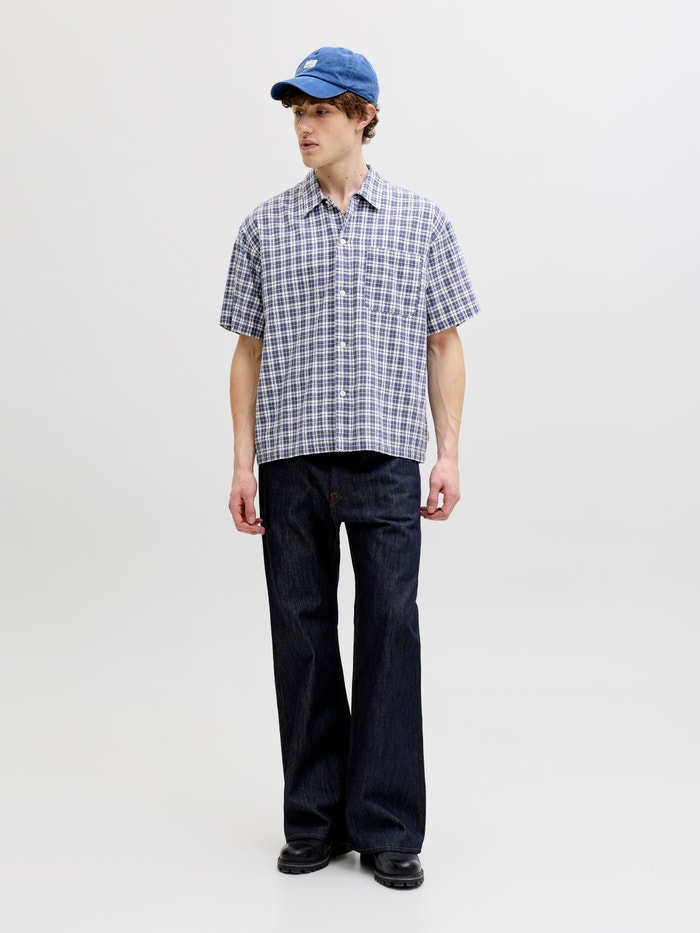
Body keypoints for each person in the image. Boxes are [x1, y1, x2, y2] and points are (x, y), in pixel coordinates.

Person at [220, 46, 480, 889]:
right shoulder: (263, 226)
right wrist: (242, 462)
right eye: (297, 111)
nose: (304, 126)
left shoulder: (420, 221)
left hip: (385, 457)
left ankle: (389, 826)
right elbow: (247, 351)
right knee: (300, 636)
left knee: (390, 632)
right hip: (291, 460)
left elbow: (445, 341)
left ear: (364, 115)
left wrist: (449, 452)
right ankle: (314, 819)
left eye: (321, 111)